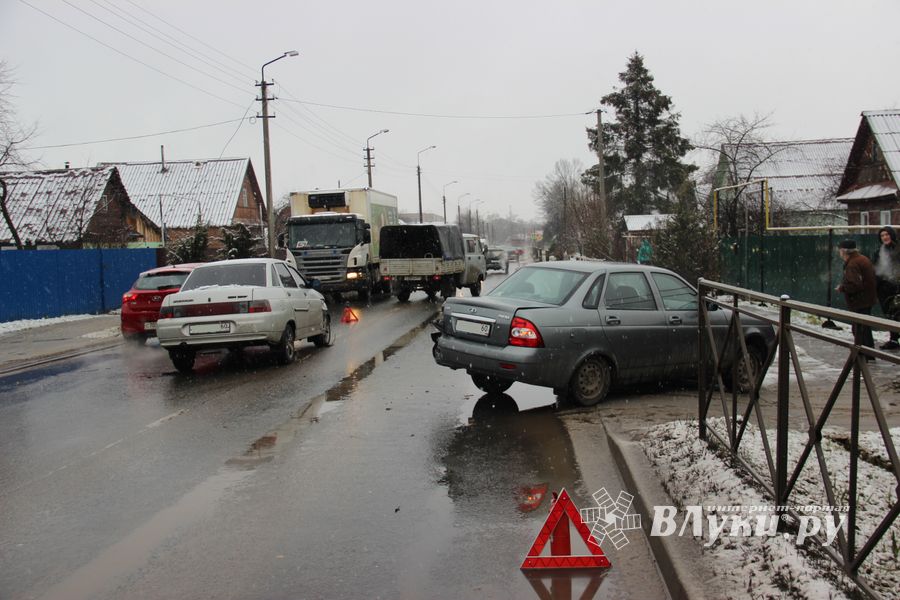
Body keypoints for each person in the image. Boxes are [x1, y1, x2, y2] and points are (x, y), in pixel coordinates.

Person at [836, 239, 877, 358]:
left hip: (859, 300)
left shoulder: (853, 263)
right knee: (865, 328)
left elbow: (855, 284)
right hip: (867, 298)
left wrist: (842, 288)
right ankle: (869, 353)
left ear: (844, 251)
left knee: (859, 329)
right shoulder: (862, 259)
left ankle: (863, 355)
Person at [872, 226, 900, 349]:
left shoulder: (898, 249)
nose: (885, 237)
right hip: (883, 288)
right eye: (882, 235)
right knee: (889, 314)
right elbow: (875, 268)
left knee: (897, 313)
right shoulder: (879, 251)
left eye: (887, 234)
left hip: (896, 286)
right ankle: (893, 339)